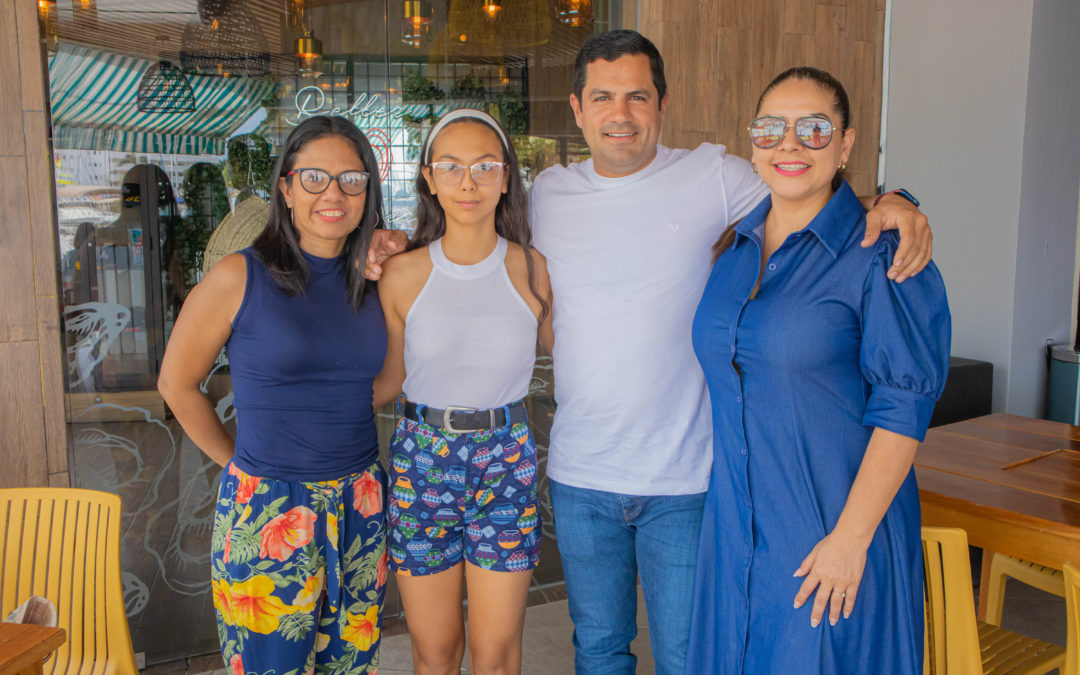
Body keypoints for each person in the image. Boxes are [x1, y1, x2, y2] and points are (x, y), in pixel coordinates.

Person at [527, 30, 935, 674]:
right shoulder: (544, 196)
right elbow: (470, 237)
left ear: (662, 103)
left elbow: (813, 195)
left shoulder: (716, 177)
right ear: (576, 110)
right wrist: (384, 246)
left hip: (690, 480)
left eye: (638, 95)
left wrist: (898, 202)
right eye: (602, 97)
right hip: (585, 472)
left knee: (695, 658)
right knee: (599, 652)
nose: (621, 113)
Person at [685, 67, 950, 673]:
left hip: (830, 540)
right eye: (772, 127)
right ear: (752, 140)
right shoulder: (732, 250)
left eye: (814, 128)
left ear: (847, 143)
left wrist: (850, 541)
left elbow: (903, 409)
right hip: (736, 536)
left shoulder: (881, 252)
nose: (790, 144)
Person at [158, 115, 393, 675]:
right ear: (285, 188)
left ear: (368, 191)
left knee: (351, 667)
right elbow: (176, 383)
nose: (332, 193)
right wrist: (241, 465)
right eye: (314, 177)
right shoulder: (240, 276)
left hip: (361, 501)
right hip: (270, 509)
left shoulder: (380, 277)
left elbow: (383, 384)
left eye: (350, 179)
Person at [376, 109, 554, 675]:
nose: (468, 181)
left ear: (506, 177)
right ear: (429, 178)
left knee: (496, 656)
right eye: (450, 167)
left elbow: (580, 361)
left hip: (505, 459)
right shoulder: (401, 273)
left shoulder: (533, 269)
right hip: (421, 461)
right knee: (435, 652)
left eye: (484, 166)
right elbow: (384, 384)